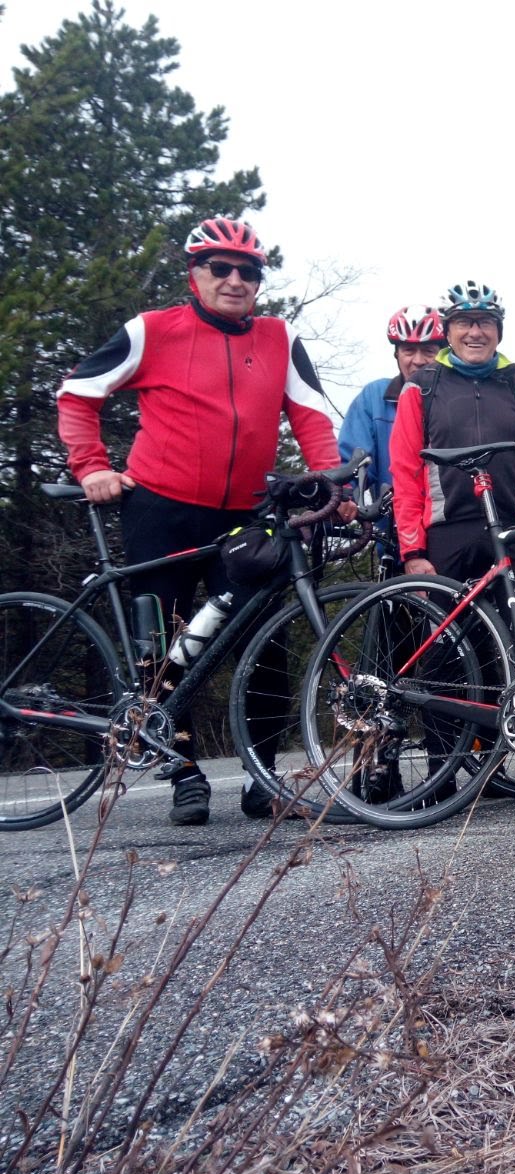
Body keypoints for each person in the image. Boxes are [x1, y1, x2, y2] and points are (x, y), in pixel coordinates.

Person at [56, 216, 343, 825]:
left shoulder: (278, 338)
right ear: (196, 274)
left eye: (249, 272)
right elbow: (78, 394)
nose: (236, 280)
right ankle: (184, 772)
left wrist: (332, 481)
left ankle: (262, 779)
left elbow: (313, 416)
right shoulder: (152, 330)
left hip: (244, 514)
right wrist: (91, 467)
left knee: (265, 644)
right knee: (162, 651)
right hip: (161, 506)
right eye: (221, 269)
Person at [388, 280, 515, 805]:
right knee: (446, 655)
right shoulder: (421, 387)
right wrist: (413, 552)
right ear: (448, 331)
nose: (475, 332)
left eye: (485, 323)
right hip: (446, 535)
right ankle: (442, 773)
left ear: (498, 331)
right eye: (465, 323)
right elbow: (404, 473)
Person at [338, 305, 446, 564]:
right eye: (409, 350)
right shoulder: (375, 398)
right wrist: (341, 496)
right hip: (397, 539)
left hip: (453, 533)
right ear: (396, 354)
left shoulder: (458, 398)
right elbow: (350, 461)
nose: (418, 360)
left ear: (442, 353)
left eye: (428, 351)